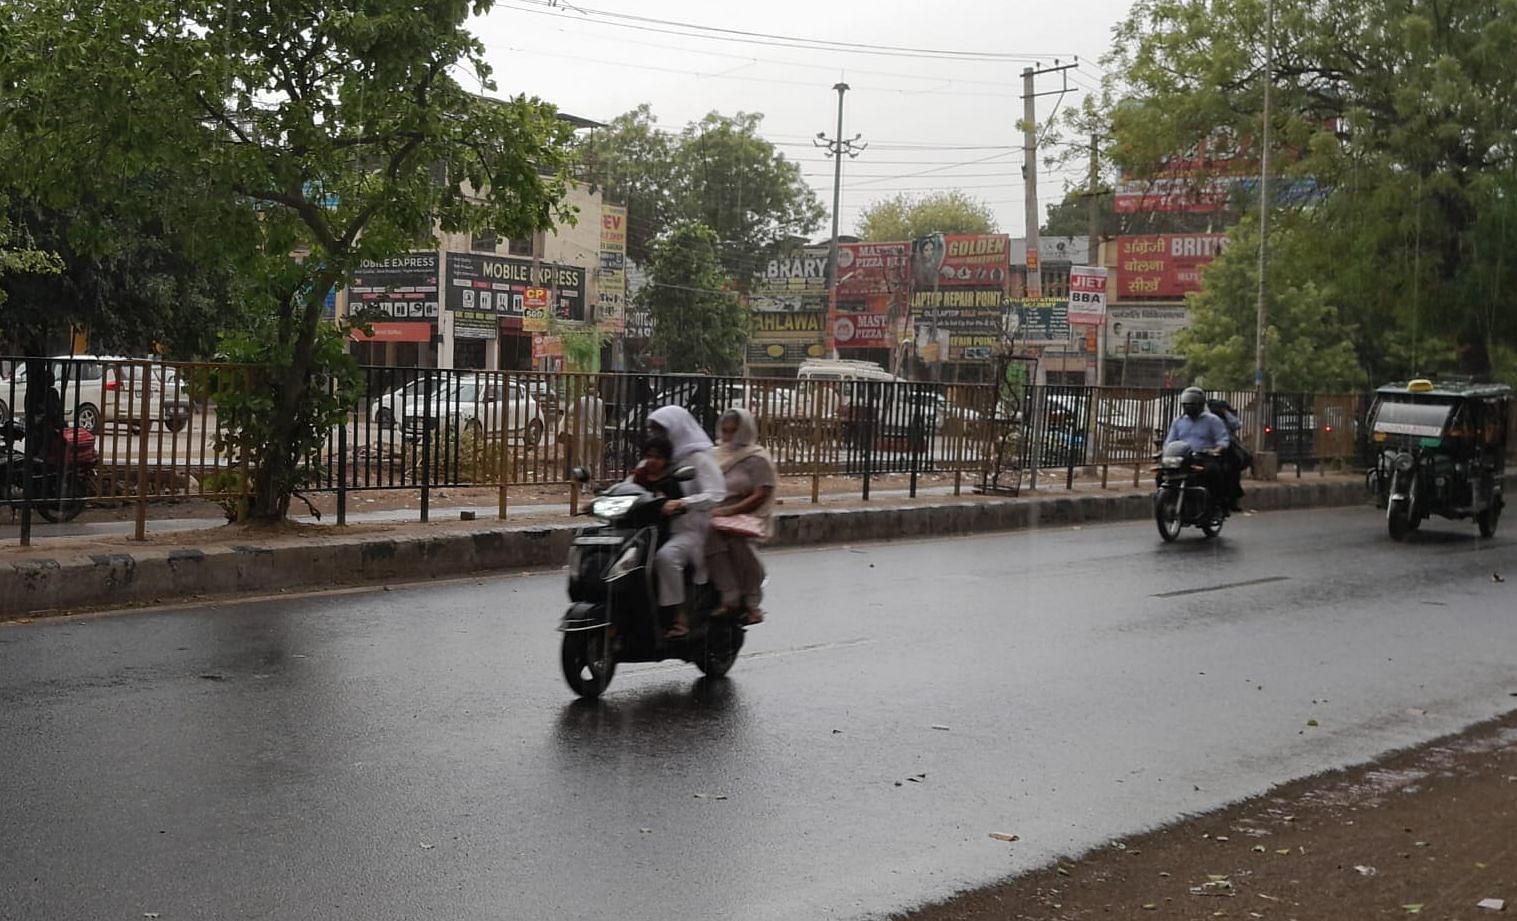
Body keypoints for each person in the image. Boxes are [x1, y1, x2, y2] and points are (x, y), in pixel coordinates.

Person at [646, 405, 726, 640]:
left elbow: (716, 493)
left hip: (690, 530)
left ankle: (679, 618)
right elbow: (634, 479)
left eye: (661, 430)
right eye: (654, 430)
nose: (656, 436)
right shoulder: (658, 458)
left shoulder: (698, 458)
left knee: (666, 557)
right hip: (653, 529)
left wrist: (685, 502)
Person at [707, 408, 777, 624]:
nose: (729, 436)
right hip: (712, 513)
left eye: (734, 431)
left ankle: (752, 601)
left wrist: (731, 511)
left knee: (738, 545)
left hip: (744, 515)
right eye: (725, 431)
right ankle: (729, 595)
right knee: (706, 540)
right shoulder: (714, 454)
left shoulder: (755, 459)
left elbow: (761, 492)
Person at [1165, 387, 1230, 509]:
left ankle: (1216, 504)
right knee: (1161, 475)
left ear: (1200, 405)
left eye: (1192, 405)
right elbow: (1170, 441)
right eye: (1186, 405)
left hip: (1203, 457)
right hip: (1182, 458)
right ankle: (1169, 501)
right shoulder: (1178, 421)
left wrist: (1217, 449)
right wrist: (1164, 452)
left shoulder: (1213, 420)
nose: (1189, 408)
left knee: (1212, 472)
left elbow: (1223, 439)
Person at [1208, 398, 1248, 512]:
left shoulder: (1226, 418)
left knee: (1231, 472)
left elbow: (1236, 425)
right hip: (1210, 449)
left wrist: (1225, 412)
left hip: (1227, 450)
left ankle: (1231, 501)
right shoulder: (1207, 419)